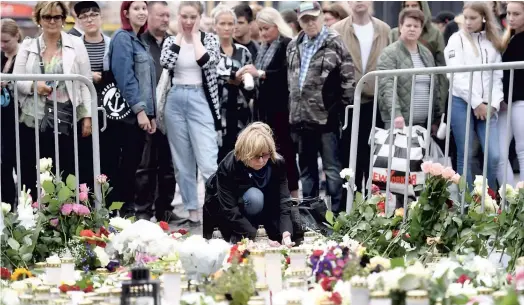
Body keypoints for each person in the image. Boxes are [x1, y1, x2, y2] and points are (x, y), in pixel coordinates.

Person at [13, 1, 92, 195]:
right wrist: (34, 86)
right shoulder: (28, 46)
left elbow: (85, 82)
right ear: (39, 19)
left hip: (66, 119)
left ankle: (66, 218)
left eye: (57, 16)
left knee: (67, 172)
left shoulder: (76, 44)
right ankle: (33, 218)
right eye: (47, 16)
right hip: (34, 119)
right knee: (34, 172)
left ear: (64, 19)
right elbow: (16, 81)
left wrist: (88, 117)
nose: (52, 21)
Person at [287, 1, 355, 213]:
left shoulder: (335, 42)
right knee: (307, 171)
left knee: (332, 171)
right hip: (301, 119)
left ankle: (336, 215)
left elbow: (349, 80)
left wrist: (339, 109)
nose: (310, 23)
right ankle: (310, 215)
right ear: (299, 21)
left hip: (327, 119)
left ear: (321, 18)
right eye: (305, 20)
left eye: (313, 18)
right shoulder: (293, 45)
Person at [160, 1, 221, 227]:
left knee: (207, 161)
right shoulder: (170, 41)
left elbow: (207, 63)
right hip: (175, 99)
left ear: (200, 17)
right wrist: (179, 37)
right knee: (183, 162)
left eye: (192, 17)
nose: (187, 21)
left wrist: (195, 37)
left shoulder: (209, 40)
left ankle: (215, 207)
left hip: (199, 98)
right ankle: (192, 211)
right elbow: (166, 62)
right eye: (184, 16)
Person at [102, 1, 157, 217]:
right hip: (126, 116)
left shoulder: (139, 41)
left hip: (139, 115)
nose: (142, 12)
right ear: (126, 13)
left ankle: (125, 214)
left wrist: (150, 114)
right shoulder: (122, 38)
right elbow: (126, 78)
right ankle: (119, 215)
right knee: (122, 168)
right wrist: (141, 111)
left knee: (131, 167)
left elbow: (147, 83)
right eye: (136, 8)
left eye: (144, 8)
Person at [240, 7, 299, 198]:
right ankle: (275, 192)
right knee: (267, 152)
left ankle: (293, 193)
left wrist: (260, 74)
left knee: (286, 153)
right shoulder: (263, 47)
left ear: (277, 26)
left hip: (282, 108)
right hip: (264, 109)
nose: (263, 33)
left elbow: (286, 75)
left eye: (267, 28)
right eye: (261, 29)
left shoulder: (287, 44)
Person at [203, 122, 294, 246]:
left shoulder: (276, 162)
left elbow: (283, 200)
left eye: (265, 154)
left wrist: (286, 232)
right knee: (254, 197)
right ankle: (242, 235)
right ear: (244, 154)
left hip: (263, 209)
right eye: (256, 156)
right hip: (227, 211)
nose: (262, 161)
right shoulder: (228, 166)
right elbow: (230, 209)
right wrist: (257, 236)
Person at [444, 1, 504, 190]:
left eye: (473, 18)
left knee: (493, 154)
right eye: (465, 18)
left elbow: (497, 76)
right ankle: (467, 204)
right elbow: (456, 75)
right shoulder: (456, 39)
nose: (468, 22)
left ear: (484, 18)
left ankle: (489, 201)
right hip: (461, 102)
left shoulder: (492, 41)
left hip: (487, 105)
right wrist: (476, 102)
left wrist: (493, 104)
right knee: (466, 154)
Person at [332, 1, 390, 192]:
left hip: (376, 102)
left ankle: (373, 205)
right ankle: (349, 205)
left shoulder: (384, 29)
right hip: (348, 104)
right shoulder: (337, 30)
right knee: (349, 158)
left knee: (374, 158)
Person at [135, 1, 180, 222]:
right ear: (149, 16)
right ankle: (142, 210)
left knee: (169, 164)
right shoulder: (140, 43)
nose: (165, 19)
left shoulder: (174, 43)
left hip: (171, 112)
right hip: (147, 113)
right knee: (145, 164)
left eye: (167, 15)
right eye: (160, 15)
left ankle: (165, 208)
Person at [377, 8, 441, 130]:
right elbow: (387, 86)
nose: (412, 29)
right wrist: (396, 114)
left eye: (416, 26)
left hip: (423, 124)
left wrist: (435, 118)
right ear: (400, 27)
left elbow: (434, 86)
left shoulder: (426, 53)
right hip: (399, 123)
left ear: (421, 29)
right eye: (408, 25)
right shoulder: (389, 53)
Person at [212, 5, 254, 163]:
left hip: (239, 112)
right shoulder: (209, 51)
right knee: (216, 158)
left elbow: (251, 85)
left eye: (230, 23)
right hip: (215, 113)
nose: (227, 28)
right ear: (215, 26)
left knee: (239, 157)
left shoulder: (243, 52)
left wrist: (243, 81)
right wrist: (230, 77)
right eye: (222, 23)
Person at [389, 1, 447, 113]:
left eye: (414, 5)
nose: (410, 9)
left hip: (426, 100)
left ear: (422, 8)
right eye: (407, 6)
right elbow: (387, 77)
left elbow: (441, 72)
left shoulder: (434, 34)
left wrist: (439, 107)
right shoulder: (394, 33)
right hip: (400, 104)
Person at [76, 1, 109, 192]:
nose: (89, 19)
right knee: (85, 159)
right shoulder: (74, 45)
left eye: (93, 14)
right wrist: (90, 77)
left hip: (108, 111)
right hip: (83, 110)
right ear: (79, 21)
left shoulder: (112, 44)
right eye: (84, 16)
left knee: (107, 158)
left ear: (101, 17)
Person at [498, 1, 524, 185]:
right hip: (505, 102)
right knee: (498, 154)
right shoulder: (509, 37)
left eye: (516, 14)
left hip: (520, 101)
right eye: (508, 13)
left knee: (522, 151)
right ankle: (510, 202)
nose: (511, 18)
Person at [1, 18, 22, 205]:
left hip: (21, 117)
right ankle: (7, 204)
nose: (2, 45)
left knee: (22, 164)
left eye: (6, 41)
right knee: (4, 164)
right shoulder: (1, 56)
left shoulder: (24, 56)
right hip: (4, 118)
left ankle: (25, 205)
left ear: (17, 36)